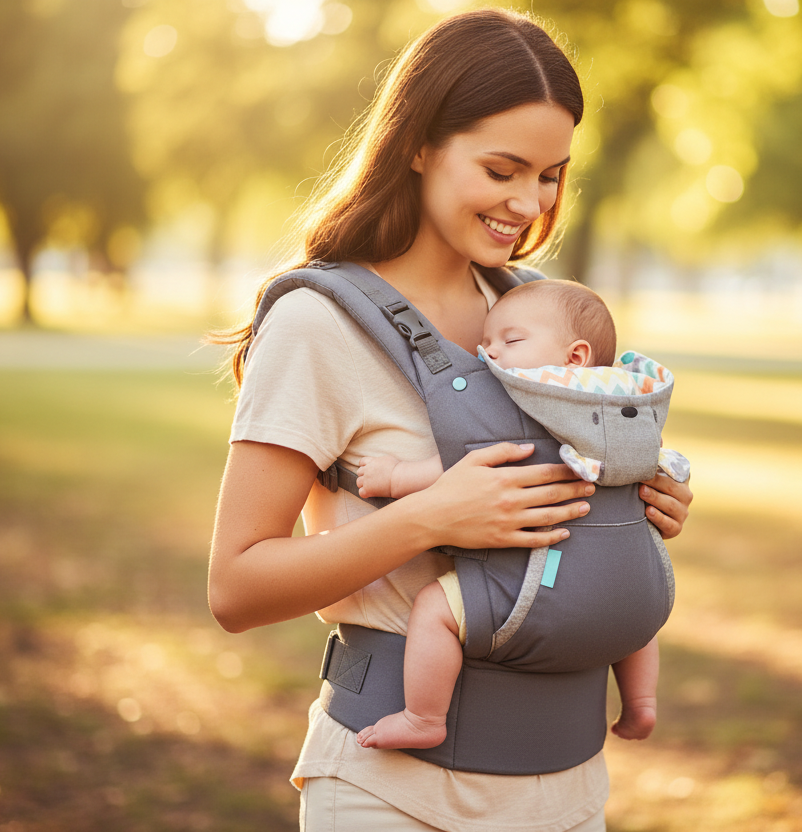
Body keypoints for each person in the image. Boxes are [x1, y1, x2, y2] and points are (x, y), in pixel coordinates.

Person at [207, 9, 693, 831]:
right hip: (391, 793)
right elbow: (235, 587)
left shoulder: (534, 318)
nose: (528, 203)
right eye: (503, 169)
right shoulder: (321, 324)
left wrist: (643, 507)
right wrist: (431, 517)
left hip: (570, 792)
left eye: (549, 175)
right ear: (421, 144)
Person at [354, 279, 689, 753]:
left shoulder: (527, 401)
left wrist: (394, 478)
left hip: (537, 592)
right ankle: (641, 701)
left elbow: (462, 466)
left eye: (510, 342)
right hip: (638, 593)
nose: (491, 355)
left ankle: (423, 716)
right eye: (485, 345)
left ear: (574, 357)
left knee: (435, 609)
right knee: (634, 614)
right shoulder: (634, 405)